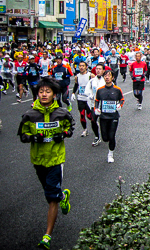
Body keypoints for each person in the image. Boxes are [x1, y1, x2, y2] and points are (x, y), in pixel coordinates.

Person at [17, 77, 75, 249]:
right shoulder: (30, 114)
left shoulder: (62, 113)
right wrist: (33, 137)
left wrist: (62, 134)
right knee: (49, 191)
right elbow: (22, 135)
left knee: (51, 198)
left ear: (54, 95)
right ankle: (63, 196)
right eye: (41, 92)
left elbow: (70, 128)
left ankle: (47, 236)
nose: (44, 94)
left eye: (47, 91)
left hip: (56, 159)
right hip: (38, 159)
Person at [94, 70, 125, 163]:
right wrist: (96, 109)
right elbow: (97, 100)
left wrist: (119, 105)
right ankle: (106, 139)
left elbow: (122, 99)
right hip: (103, 116)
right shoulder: (100, 90)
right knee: (105, 138)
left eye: (109, 76)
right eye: (105, 76)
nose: (107, 77)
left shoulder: (117, 89)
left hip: (113, 116)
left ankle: (110, 154)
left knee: (112, 136)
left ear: (112, 78)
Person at [85, 64, 106, 146]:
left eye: (100, 69)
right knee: (93, 120)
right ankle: (97, 136)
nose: (98, 70)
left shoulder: (106, 80)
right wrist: (90, 95)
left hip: (104, 105)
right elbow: (87, 90)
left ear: (103, 70)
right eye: (97, 69)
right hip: (95, 104)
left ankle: (106, 134)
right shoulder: (92, 81)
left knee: (104, 122)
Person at [71, 61, 92, 137]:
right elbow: (76, 85)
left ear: (86, 67)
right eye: (80, 66)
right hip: (80, 98)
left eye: (83, 66)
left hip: (88, 99)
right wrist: (73, 93)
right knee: (82, 115)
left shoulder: (90, 75)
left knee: (89, 116)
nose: (81, 67)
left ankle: (95, 123)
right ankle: (85, 130)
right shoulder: (77, 76)